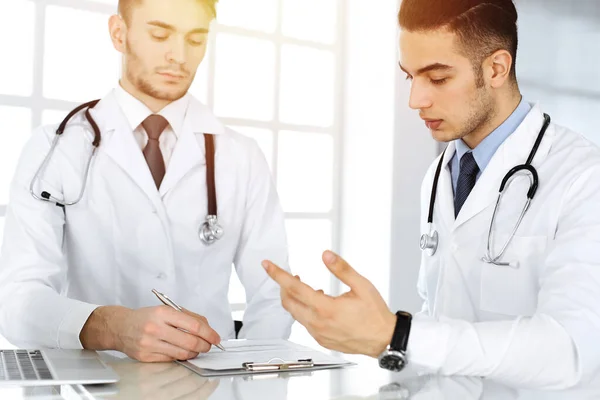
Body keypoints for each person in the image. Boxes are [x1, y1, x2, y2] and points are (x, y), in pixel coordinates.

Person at [262, 0, 600, 390]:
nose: (415, 100)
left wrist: (399, 335)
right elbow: (442, 326)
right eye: (410, 77)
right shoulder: (441, 175)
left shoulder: (584, 178)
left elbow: (571, 351)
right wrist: (376, 344)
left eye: (437, 78)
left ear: (496, 68)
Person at [0, 0, 293, 363]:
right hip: (100, 376)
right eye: (159, 34)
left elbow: (274, 296)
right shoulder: (54, 149)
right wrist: (110, 327)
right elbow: (18, 301)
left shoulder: (241, 155)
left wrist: (247, 374)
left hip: (212, 380)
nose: (179, 56)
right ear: (118, 33)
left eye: (196, 39)